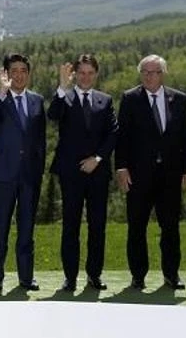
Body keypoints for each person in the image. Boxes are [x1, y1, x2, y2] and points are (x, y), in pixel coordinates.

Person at [115, 54, 186, 290]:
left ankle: (171, 275)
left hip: (170, 176)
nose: (150, 76)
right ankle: (138, 276)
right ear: (141, 74)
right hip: (138, 176)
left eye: (155, 72)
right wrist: (121, 167)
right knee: (136, 227)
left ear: (163, 74)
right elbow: (123, 138)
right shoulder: (130, 99)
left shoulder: (178, 99)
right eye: (146, 72)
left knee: (170, 227)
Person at [48, 54, 117, 292]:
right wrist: (61, 87)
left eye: (90, 73)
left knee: (98, 226)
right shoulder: (64, 98)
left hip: (98, 173)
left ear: (96, 74)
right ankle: (70, 277)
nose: (86, 77)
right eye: (82, 73)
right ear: (75, 74)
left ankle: (94, 275)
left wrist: (97, 159)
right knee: (71, 226)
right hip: (71, 173)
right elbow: (53, 115)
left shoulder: (105, 100)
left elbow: (113, 134)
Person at [0, 53, 46, 292]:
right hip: (3, 174)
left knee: (27, 228)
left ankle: (26, 277)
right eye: (14, 71)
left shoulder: (37, 100)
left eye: (23, 70)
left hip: (30, 176)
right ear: (7, 74)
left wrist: (38, 169)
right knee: (0, 227)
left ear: (28, 74)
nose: (19, 75)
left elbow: (40, 140)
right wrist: (2, 91)